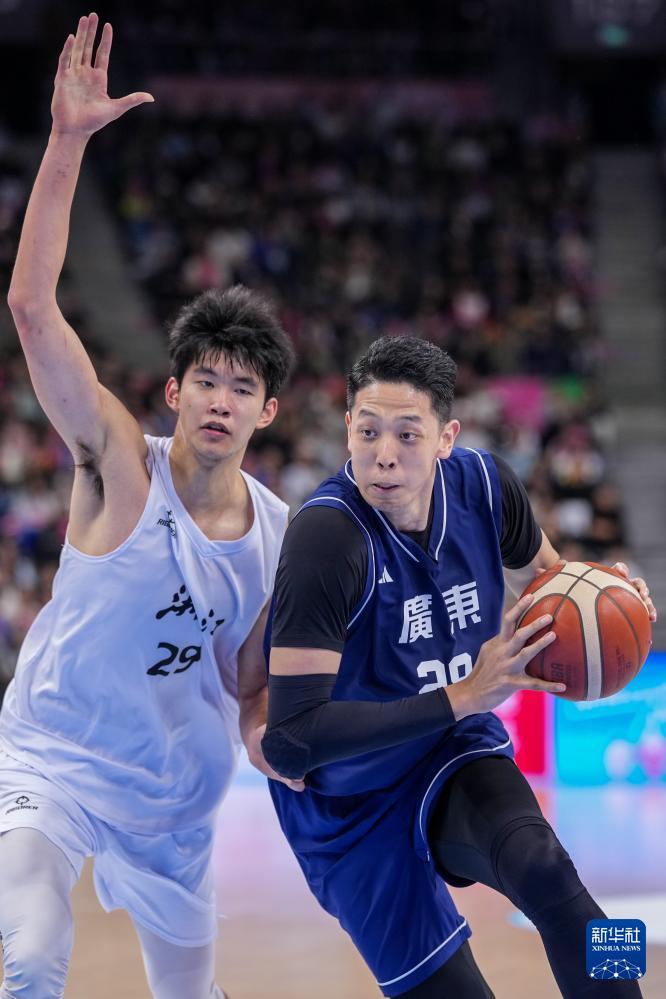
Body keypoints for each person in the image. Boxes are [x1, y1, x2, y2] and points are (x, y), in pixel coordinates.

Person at [1, 14, 299, 999]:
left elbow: (250, 689)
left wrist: (279, 748)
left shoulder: (278, 536)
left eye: (241, 387)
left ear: (267, 411)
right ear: (174, 392)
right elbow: (32, 310)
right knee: (31, 957)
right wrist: (67, 140)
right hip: (55, 759)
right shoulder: (121, 463)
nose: (220, 399)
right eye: (204, 379)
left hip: (175, 798)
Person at [262, 335, 657, 998]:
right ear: (348, 429)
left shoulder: (485, 486)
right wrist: (463, 695)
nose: (384, 454)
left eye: (407, 434)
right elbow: (290, 740)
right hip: (348, 805)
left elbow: (554, 583)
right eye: (367, 431)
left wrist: (610, 598)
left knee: (549, 869)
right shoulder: (325, 538)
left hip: (451, 749)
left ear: (446, 437)